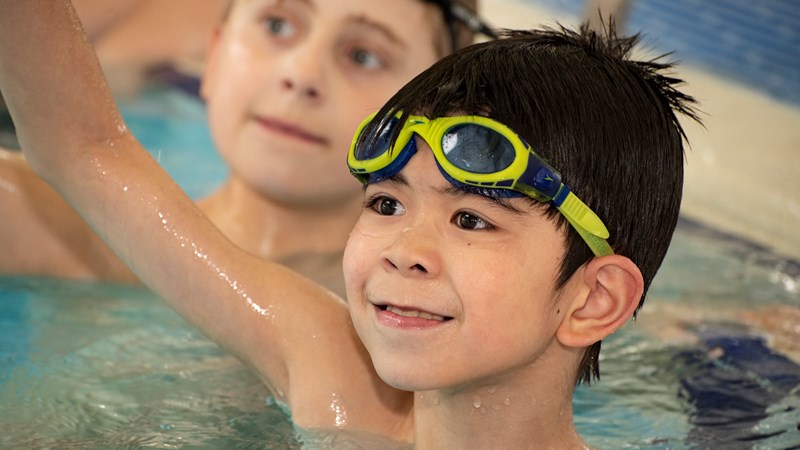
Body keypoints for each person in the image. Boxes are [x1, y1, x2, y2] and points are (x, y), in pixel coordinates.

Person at [0, 1, 701, 447]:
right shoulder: (336, 383)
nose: (405, 251)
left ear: (594, 298)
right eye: (387, 204)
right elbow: (84, 148)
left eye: (471, 219)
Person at [0, 0, 494, 298]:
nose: (300, 75)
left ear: (436, 121)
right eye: (278, 25)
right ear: (213, 57)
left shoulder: (408, 307)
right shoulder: (56, 222)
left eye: (363, 55)